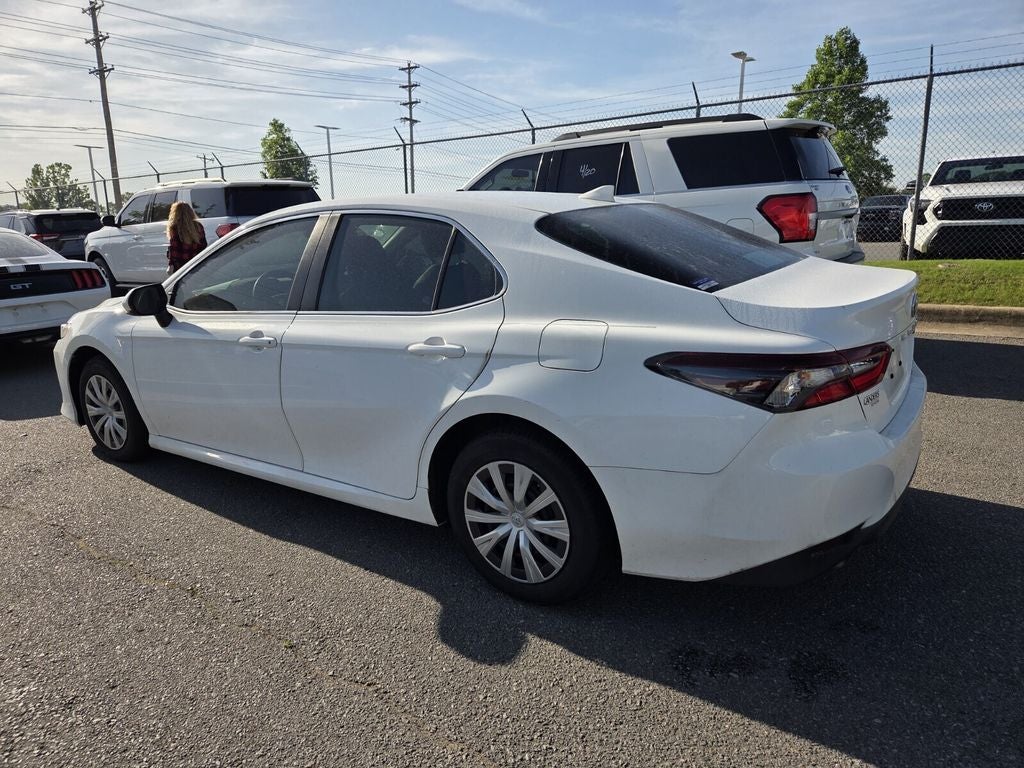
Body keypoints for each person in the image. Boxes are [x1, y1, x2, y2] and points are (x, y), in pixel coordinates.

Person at [165, 201, 207, 274]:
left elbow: (174, 249)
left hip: (181, 266)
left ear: (175, 213)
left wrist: (171, 264)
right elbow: (203, 245)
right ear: (190, 212)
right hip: (196, 263)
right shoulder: (198, 226)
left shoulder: (174, 227)